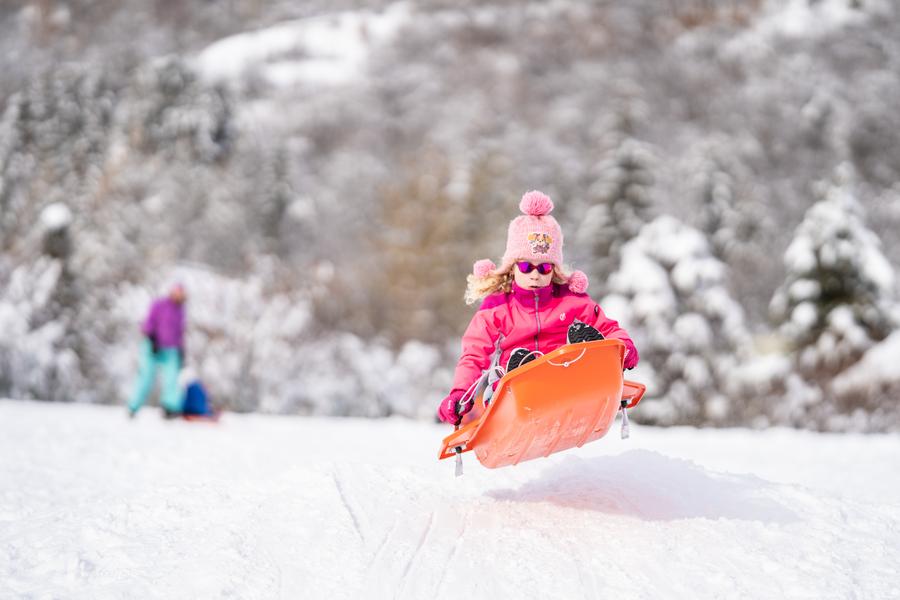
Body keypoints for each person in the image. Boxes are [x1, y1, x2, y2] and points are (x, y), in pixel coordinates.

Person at [436, 190, 639, 426]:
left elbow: (608, 327)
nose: (535, 274)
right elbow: (474, 353)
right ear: (512, 267)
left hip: (562, 379)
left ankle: (585, 358)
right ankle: (522, 375)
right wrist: (460, 392)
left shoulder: (571, 299)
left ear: (554, 269)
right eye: (525, 266)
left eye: (544, 268)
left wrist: (624, 347)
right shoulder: (497, 306)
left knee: (576, 349)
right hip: (514, 392)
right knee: (510, 374)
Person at [127, 282, 187, 418]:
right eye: (177, 292)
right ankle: (133, 406)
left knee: (172, 378)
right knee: (146, 377)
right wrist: (151, 338)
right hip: (153, 345)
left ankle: (170, 407)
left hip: (171, 349)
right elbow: (149, 322)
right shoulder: (159, 305)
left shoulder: (181, 310)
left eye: (181, 293)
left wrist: (182, 350)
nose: (178, 295)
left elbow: (180, 332)